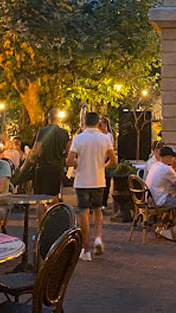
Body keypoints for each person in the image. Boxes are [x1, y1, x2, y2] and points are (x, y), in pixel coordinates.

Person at [66, 111, 117, 261]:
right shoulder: (105, 138)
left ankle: (85, 248)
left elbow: (69, 161)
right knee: (97, 211)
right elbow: (114, 161)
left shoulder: (78, 139)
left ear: (85, 123)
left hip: (82, 180)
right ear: (97, 123)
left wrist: (78, 164)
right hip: (99, 180)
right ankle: (98, 238)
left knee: (83, 213)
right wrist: (103, 165)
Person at [145, 145, 176, 244]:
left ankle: (164, 227)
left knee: (175, 200)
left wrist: (173, 167)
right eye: (172, 157)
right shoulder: (167, 169)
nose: (174, 159)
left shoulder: (156, 165)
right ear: (167, 157)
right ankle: (169, 227)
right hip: (159, 200)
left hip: (150, 199)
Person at [99, 115, 115, 209]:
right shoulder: (98, 135)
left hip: (105, 159)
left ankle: (104, 202)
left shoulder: (108, 136)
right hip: (99, 159)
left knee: (106, 181)